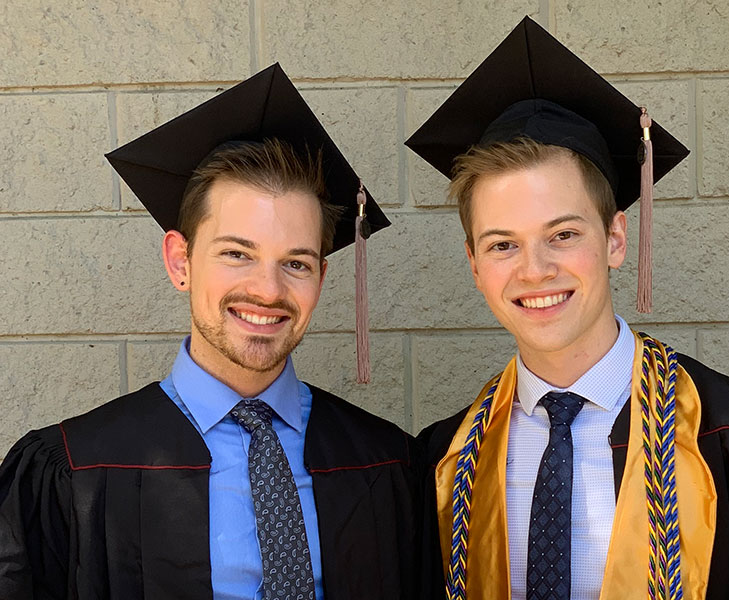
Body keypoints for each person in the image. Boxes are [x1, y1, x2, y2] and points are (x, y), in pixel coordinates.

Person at [407, 17, 729, 600]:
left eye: (563, 234)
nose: (534, 269)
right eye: (502, 244)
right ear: (473, 264)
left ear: (615, 238)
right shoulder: (442, 462)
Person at [0, 64, 420, 600]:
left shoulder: (387, 464)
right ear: (181, 261)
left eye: (296, 262)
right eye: (236, 253)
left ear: (321, 275)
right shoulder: (73, 469)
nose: (267, 290)